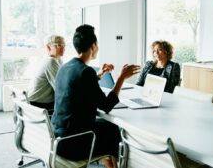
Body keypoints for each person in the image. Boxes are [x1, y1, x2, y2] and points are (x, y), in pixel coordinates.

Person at [51, 24, 140, 168]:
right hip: (74, 143)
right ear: (93, 46)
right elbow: (106, 105)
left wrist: (99, 75)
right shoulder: (86, 72)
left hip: (58, 137)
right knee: (113, 130)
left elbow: (78, 85)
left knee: (106, 127)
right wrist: (121, 78)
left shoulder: (66, 66)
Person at [27, 35, 65, 111]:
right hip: (38, 104)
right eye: (59, 45)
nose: (63, 48)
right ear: (48, 47)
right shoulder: (51, 61)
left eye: (64, 45)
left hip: (35, 101)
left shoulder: (57, 60)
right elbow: (60, 88)